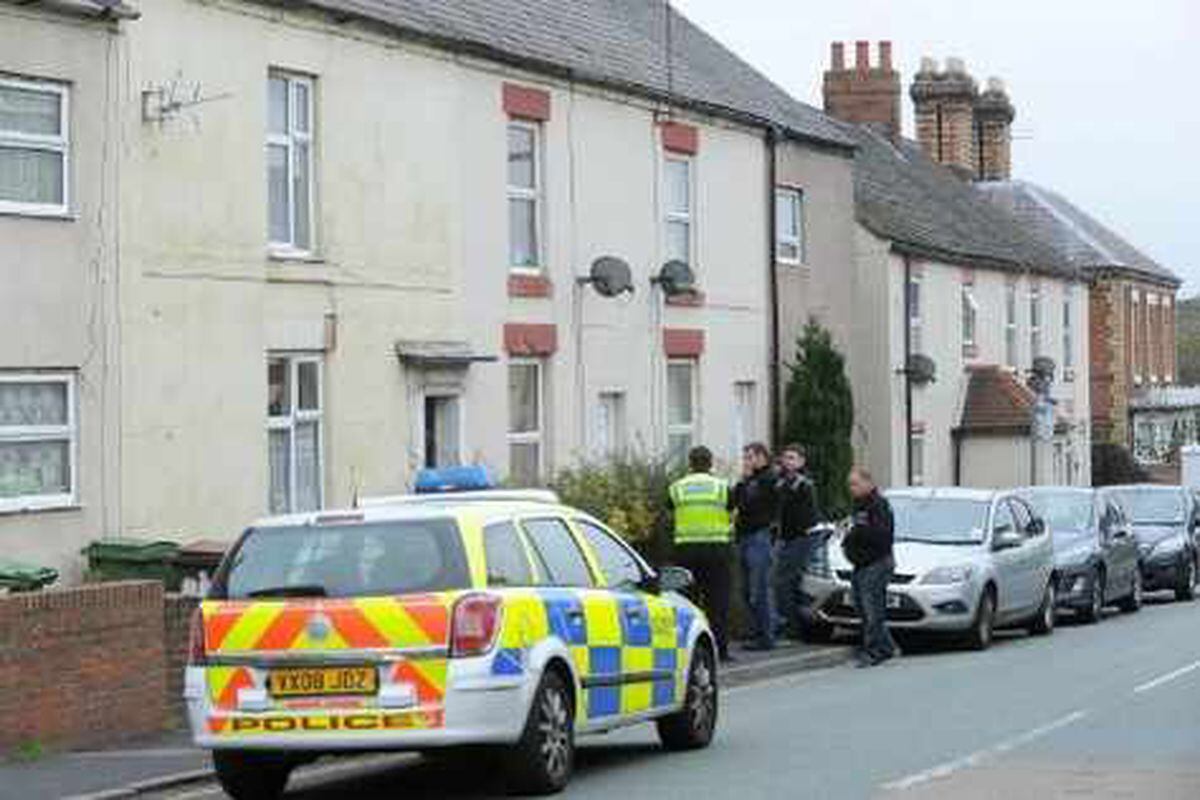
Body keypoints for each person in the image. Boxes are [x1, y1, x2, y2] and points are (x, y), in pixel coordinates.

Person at [667, 446, 735, 663]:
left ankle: (689, 653)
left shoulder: (677, 487)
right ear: (710, 463)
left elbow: (668, 510)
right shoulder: (721, 487)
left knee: (688, 602)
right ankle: (721, 651)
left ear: (690, 463)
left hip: (686, 550)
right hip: (717, 550)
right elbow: (733, 509)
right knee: (718, 603)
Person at [843, 466, 897, 667]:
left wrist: (856, 533)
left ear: (868, 483)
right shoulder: (859, 505)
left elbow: (882, 536)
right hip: (861, 564)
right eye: (850, 484)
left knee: (872, 609)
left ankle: (874, 651)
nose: (851, 488)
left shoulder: (878, 505)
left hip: (876, 563)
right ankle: (887, 646)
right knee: (861, 607)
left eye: (855, 484)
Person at [774, 444, 825, 640]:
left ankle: (791, 626)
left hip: (800, 538)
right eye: (785, 458)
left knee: (785, 582)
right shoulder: (783, 481)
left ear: (801, 461)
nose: (788, 462)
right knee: (784, 582)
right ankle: (789, 624)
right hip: (787, 538)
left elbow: (805, 516)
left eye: (792, 458)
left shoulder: (803, 484)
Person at [732, 442, 779, 651]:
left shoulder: (769, 477)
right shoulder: (750, 479)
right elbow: (733, 501)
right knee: (746, 589)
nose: (746, 462)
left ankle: (766, 636)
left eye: (749, 457)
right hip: (744, 536)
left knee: (759, 588)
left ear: (762, 457)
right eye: (745, 457)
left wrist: (746, 484)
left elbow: (751, 504)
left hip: (758, 537)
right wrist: (743, 480)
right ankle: (757, 631)